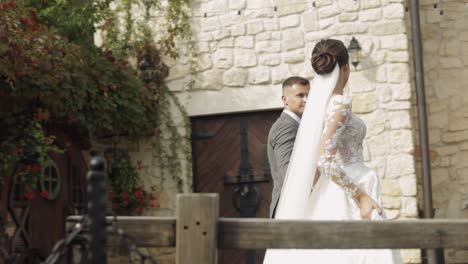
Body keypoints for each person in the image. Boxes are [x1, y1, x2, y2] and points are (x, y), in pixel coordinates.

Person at [263, 39, 402, 263]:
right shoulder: (340, 104)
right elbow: (325, 159)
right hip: (351, 186)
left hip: (327, 188)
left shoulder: (317, 107)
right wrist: (361, 195)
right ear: (346, 67)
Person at [267, 77, 309, 218]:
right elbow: (288, 173)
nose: (306, 100)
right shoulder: (286, 126)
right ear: (285, 99)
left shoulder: (299, 125)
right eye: (300, 95)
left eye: (308, 95)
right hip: (290, 207)